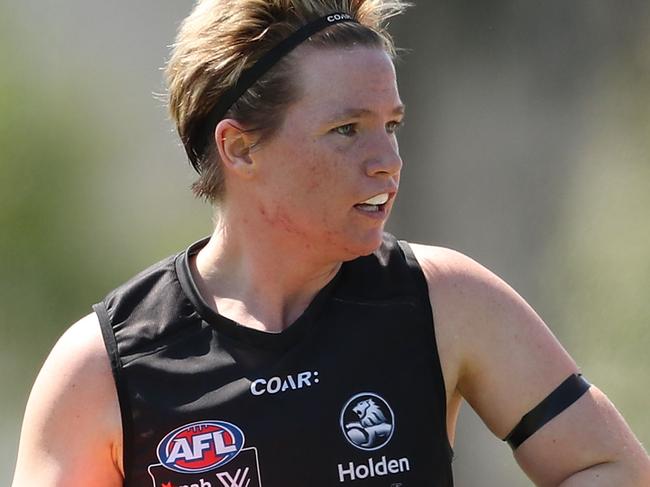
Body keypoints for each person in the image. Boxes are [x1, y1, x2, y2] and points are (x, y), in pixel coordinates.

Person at [12, 1, 650, 486]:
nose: (387, 161)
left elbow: (608, 468)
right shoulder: (101, 367)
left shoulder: (444, 299)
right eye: (346, 130)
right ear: (239, 147)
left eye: (391, 125)